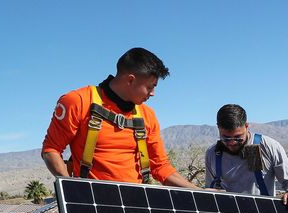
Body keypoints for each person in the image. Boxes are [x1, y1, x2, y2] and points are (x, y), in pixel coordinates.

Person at [41, 47, 197, 189]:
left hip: (135, 204)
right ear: (130, 80)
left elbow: (160, 167)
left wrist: (200, 192)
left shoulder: (147, 115)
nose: (152, 93)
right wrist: (72, 190)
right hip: (91, 203)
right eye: (150, 87)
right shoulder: (78, 101)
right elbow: (51, 150)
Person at [204, 104, 288, 208]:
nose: (232, 142)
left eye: (238, 137)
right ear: (218, 128)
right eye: (226, 138)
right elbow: (210, 189)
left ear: (246, 126)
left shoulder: (266, 146)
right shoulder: (213, 153)